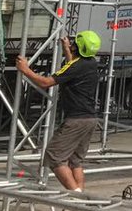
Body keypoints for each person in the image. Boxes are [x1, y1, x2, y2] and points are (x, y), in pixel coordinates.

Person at [16, 31, 102, 193]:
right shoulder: (90, 63)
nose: (72, 44)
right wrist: (66, 49)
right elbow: (72, 69)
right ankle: (79, 197)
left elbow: (46, 82)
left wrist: (25, 69)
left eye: (74, 43)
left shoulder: (76, 66)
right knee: (75, 161)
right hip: (89, 119)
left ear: (78, 47)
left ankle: (75, 197)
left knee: (54, 157)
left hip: (76, 120)